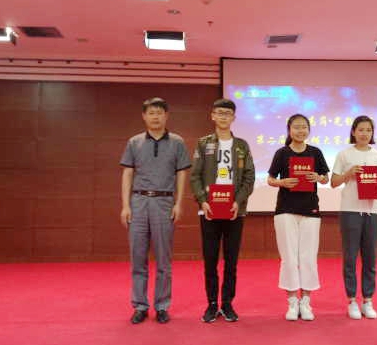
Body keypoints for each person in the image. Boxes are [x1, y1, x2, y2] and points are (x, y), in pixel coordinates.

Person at [119, 97, 191, 324]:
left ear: (166, 116)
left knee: (163, 260)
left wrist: (179, 203)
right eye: (151, 113)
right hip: (139, 202)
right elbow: (127, 173)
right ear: (144, 116)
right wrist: (125, 205)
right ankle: (140, 306)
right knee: (137, 258)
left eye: (159, 112)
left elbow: (182, 173)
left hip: (164, 202)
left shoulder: (177, 142)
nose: (156, 116)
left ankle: (162, 306)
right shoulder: (134, 142)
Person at [190, 98, 255, 323]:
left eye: (227, 113)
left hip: (235, 210)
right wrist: (202, 201)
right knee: (210, 260)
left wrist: (238, 201)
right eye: (219, 113)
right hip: (209, 210)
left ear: (233, 117)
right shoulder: (203, 143)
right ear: (212, 116)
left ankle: (227, 303)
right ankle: (211, 303)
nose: (223, 117)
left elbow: (249, 177)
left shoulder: (242, 145)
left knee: (231, 260)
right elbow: (195, 176)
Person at [267, 114, 330, 321]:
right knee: (289, 257)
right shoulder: (282, 153)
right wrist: (282, 182)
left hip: (310, 210)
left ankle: (306, 302)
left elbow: (325, 178)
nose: (300, 131)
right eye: (296, 127)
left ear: (309, 130)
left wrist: (318, 177)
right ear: (289, 130)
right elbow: (270, 179)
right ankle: (292, 301)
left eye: (304, 127)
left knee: (308, 257)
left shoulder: (315, 152)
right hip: (285, 210)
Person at [330, 115, 377, 320]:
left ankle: (368, 300)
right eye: (361, 129)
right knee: (350, 257)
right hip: (350, 211)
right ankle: (352, 300)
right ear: (353, 131)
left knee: (370, 258)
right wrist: (348, 174)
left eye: (368, 130)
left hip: (373, 212)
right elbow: (334, 182)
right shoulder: (344, 154)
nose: (365, 133)